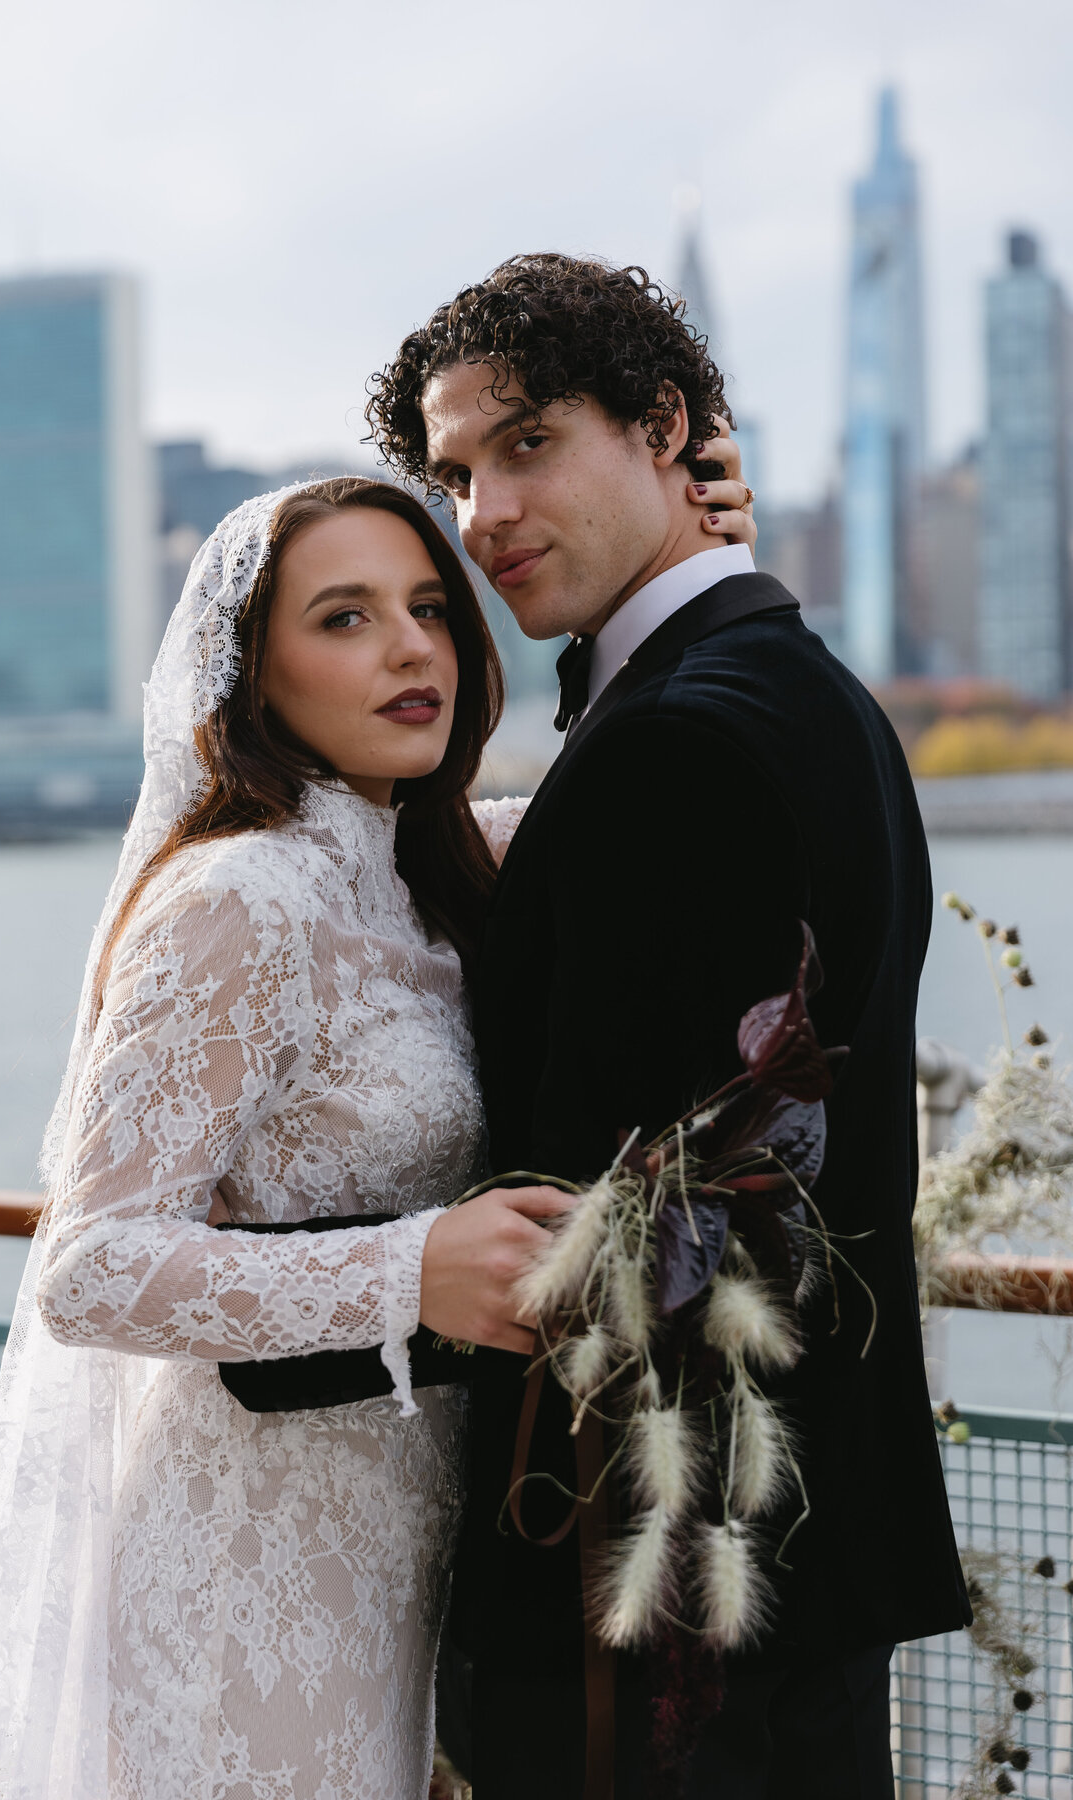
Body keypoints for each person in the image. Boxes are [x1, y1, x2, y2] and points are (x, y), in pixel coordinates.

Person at [0, 476, 588, 1800]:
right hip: (244, 1564)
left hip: (399, 1555)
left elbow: (632, 783)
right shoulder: (237, 897)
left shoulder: (437, 872)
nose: (411, 646)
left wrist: (702, 551)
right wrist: (408, 1268)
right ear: (249, 676)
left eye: (430, 607)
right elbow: (89, 1266)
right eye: (345, 616)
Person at [366, 252, 971, 1799]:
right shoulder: (802, 691)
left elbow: (605, 1222)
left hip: (655, 1609)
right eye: (454, 472)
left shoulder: (674, 749)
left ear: (666, 432)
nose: (482, 513)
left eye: (528, 444)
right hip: (798, 1567)